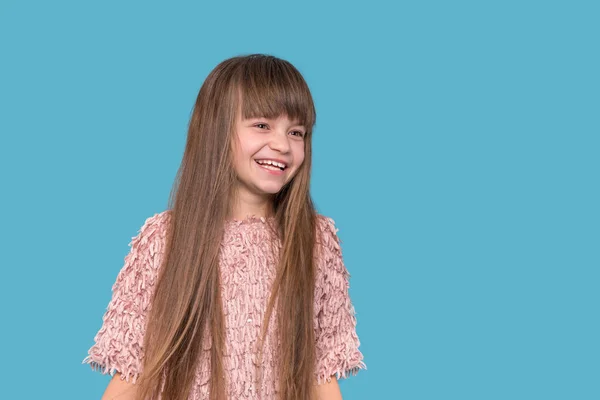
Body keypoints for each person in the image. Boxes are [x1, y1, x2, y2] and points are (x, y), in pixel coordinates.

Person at [82, 54, 366, 400]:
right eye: (262, 125)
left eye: (296, 132)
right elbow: (132, 376)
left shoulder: (315, 241)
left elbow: (320, 376)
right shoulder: (164, 240)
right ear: (216, 129)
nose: (282, 145)